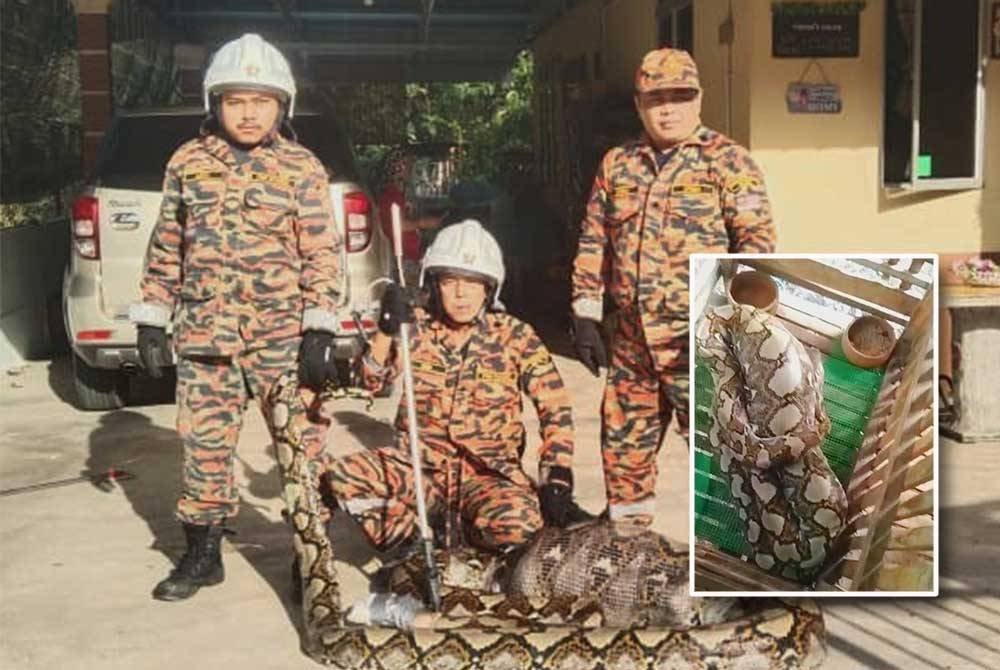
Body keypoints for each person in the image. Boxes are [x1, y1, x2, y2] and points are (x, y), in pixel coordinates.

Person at [128, 33, 342, 601]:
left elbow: (322, 250)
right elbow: (167, 243)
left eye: (262, 100)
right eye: (235, 100)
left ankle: (308, 557)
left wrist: (320, 326)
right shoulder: (188, 163)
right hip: (206, 337)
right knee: (203, 449)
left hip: (282, 339)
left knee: (302, 449)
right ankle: (201, 554)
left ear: (282, 105)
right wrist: (153, 315)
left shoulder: (301, 167)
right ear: (214, 104)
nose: (248, 112)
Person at [570, 48, 776, 526]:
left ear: (699, 99)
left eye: (680, 96)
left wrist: (739, 323)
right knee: (623, 453)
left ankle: (741, 562)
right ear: (639, 104)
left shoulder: (729, 162)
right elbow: (592, 237)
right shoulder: (617, 165)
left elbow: (756, 244)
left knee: (725, 454)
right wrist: (583, 312)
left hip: (700, 342)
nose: (668, 107)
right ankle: (626, 554)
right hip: (632, 344)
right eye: (655, 98)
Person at [325, 220, 575, 554]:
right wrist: (385, 328)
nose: (461, 294)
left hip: (486, 476)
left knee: (520, 526)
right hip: (419, 471)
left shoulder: (515, 335)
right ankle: (412, 549)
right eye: (450, 281)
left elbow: (555, 406)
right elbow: (369, 383)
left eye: (472, 283)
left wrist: (556, 471)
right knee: (343, 475)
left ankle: (467, 530)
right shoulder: (414, 327)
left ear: (489, 288)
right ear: (434, 285)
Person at [375, 146, 441, 285]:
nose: (411, 170)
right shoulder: (391, 194)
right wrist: (423, 223)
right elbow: (397, 225)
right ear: (398, 167)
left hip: (410, 255)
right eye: (408, 165)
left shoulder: (399, 193)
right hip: (402, 258)